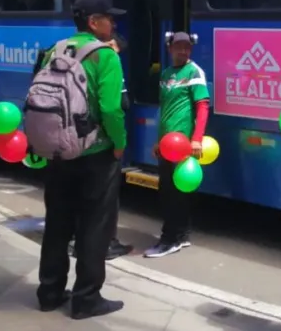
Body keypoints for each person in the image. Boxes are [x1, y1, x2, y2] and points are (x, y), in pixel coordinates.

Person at [36, 0, 128, 320]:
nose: (113, 23)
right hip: (95, 152)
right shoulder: (105, 56)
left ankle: (49, 291)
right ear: (93, 22)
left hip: (58, 151)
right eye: (109, 17)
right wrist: (119, 143)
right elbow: (111, 108)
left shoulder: (54, 50)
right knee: (94, 226)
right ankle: (86, 298)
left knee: (58, 222)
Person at [66, 31, 133, 260]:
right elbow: (115, 107)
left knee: (76, 198)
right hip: (99, 144)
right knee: (103, 202)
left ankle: (77, 242)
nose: (110, 48)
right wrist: (119, 142)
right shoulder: (108, 62)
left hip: (71, 142)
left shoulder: (65, 53)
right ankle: (106, 245)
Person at [145, 32, 210, 258]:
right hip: (167, 143)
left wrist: (196, 140)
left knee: (173, 193)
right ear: (169, 48)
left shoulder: (194, 72)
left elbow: (203, 107)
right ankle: (181, 235)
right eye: (179, 47)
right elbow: (165, 111)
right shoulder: (166, 74)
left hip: (183, 144)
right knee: (169, 191)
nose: (183, 51)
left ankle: (168, 239)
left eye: (187, 48)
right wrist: (158, 140)